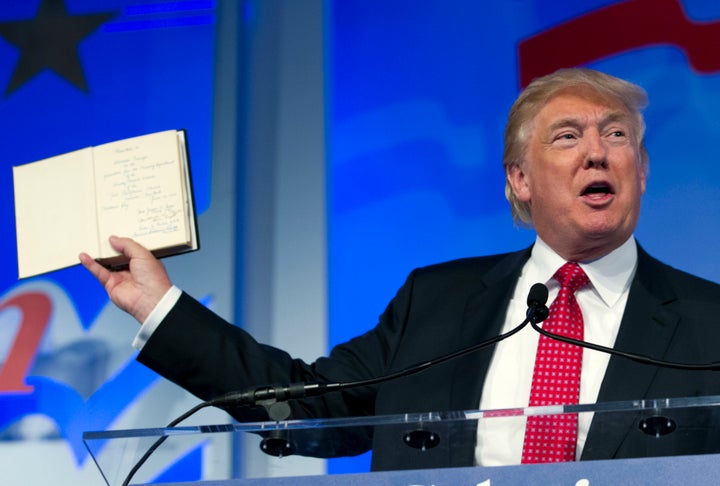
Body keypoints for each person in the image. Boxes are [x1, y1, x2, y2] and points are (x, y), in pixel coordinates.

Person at [80, 68, 720, 470]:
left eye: (616, 136)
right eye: (567, 137)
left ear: (641, 170)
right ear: (519, 181)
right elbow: (309, 410)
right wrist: (155, 305)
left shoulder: (709, 322)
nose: (596, 154)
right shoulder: (436, 301)